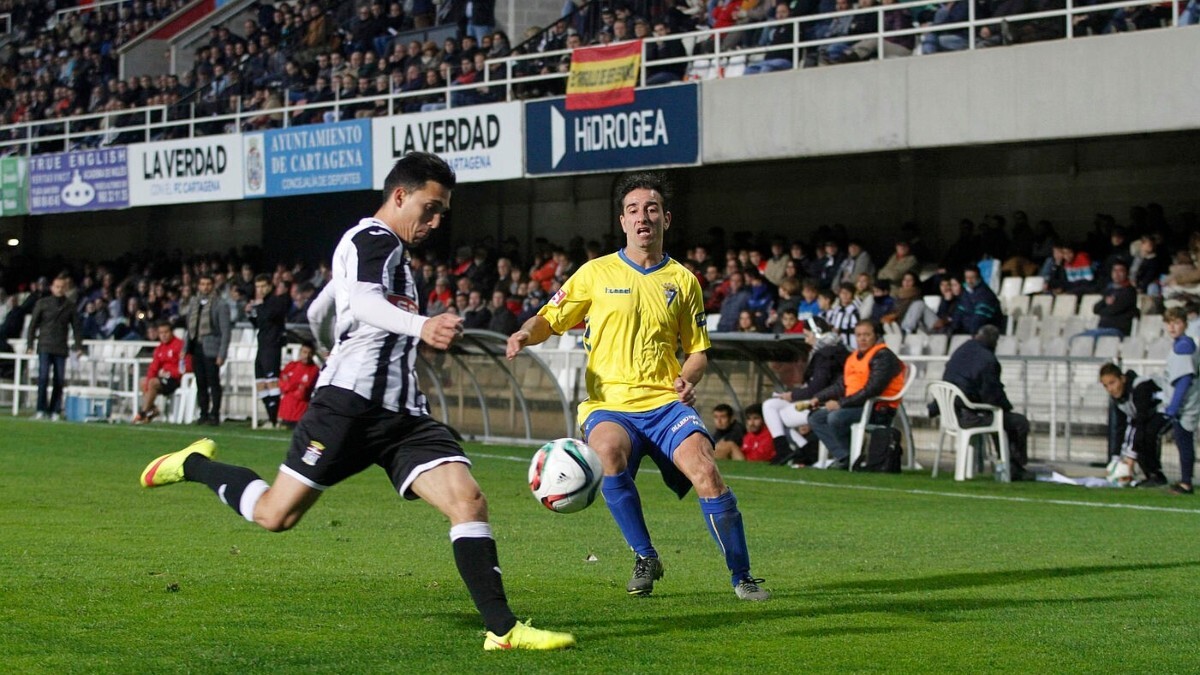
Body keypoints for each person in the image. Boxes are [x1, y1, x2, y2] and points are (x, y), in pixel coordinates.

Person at [139, 153, 575, 651]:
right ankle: (193, 464)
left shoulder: (387, 254)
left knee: (468, 499)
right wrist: (419, 326)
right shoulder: (372, 239)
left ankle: (503, 630)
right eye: (429, 209)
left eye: (441, 214)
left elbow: (323, 306)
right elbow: (364, 301)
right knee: (274, 515)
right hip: (348, 407)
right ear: (399, 196)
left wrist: (333, 343)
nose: (434, 222)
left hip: (403, 413)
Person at [505, 172, 769, 601]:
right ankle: (645, 556)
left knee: (707, 473)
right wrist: (523, 334)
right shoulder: (594, 273)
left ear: (666, 218)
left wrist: (691, 376)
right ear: (622, 222)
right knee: (608, 453)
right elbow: (548, 319)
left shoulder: (683, 281)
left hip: (666, 404)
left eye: (650, 209)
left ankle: (742, 575)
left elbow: (698, 351)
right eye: (632, 210)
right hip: (609, 405)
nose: (642, 216)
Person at [939, 325, 1035, 480]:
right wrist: (1006, 407)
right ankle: (1014, 467)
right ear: (995, 341)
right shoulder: (987, 359)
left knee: (999, 419)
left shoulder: (961, 350)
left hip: (950, 412)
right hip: (970, 416)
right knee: (1017, 422)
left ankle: (1009, 465)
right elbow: (992, 393)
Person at [808, 320, 905, 470]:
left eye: (867, 335)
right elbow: (842, 385)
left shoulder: (883, 356)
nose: (862, 339)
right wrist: (819, 397)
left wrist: (841, 403)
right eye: (859, 335)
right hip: (855, 405)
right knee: (816, 418)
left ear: (876, 336)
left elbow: (872, 389)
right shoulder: (854, 357)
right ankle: (845, 456)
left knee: (835, 417)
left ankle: (853, 457)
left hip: (878, 408)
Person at [761, 318, 849, 466]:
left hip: (822, 401)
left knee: (778, 416)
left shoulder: (826, 354)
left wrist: (792, 395)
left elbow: (817, 387)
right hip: (822, 398)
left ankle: (799, 449)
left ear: (817, 333)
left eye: (807, 335)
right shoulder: (836, 348)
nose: (807, 341)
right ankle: (796, 449)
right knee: (771, 405)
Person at [1099, 363, 1170, 487]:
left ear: (1122, 379)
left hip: (1167, 408)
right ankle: (1151, 476)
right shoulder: (1118, 399)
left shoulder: (1140, 387)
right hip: (1149, 415)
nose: (1110, 389)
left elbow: (1141, 419)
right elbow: (1120, 428)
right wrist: (1115, 458)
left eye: (1112, 383)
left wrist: (1130, 457)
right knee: (1140, 436)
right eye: (1106, 386)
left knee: (1146, 434)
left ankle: (1155, 474)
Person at [27, 274, 83, 420]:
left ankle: (55, 410)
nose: (59, 289)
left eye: (62, 287)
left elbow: (76, 327)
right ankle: (41, 409)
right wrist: (30, 344)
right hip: (44, 345)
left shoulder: (70, 306)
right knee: (43, 378)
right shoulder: (43, 303)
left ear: (66, 288)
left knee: (59, 380)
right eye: (57, 287)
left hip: (60, 346)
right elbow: (33, 325)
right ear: (52, 288)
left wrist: (78, 346)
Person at [184, 273, 231, 425]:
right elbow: (189, 328)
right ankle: (203, 413)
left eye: (208, 284)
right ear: (198, 286)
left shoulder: (220, 304)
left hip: (211, 348)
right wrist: (185, 348)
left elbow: (225, 331)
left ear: (213, 286)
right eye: (202, 284)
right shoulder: (194, 303)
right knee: (200, 382)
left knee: (213, 382)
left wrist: (222, 353)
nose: (205, 287)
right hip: (196, 346)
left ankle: (214, 414)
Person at [1162, 308, 1200, 495]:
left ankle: (1186, 483)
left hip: (1187, 405)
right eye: (1169, 322)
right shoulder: (1182, 344)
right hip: (1187, 403)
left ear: (1185, 324)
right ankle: (1185, 480)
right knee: (1183, 442)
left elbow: (1184, 379)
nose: (1172, 326)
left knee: (1184, 442)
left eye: (1176, 322)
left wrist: (1174, 407)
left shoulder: (1183, 346)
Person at [247, 274, 290, 429]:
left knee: (272, 382)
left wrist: (257, 307)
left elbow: (269, 317)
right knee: (260, 383)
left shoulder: (276, 301)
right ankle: (271, 417)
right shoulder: (263, 303)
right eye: (257, 287)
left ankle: (275, 419)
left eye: (263, 286)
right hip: (262, 345)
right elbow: (260, 323)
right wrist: (250, 313)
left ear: (270, 286)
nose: (260, 290)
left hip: (272, 346)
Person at [133, 320, 192, 424]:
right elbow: (153, 367)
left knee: (153, 382)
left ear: (171, 332)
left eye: (166, 332)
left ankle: (142, 413)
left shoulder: (180, 346)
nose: (163, 335)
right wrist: (149, 380)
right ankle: (153, 410)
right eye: (161, 333)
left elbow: (187, 367)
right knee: (143, 381)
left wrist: (170, 373)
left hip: (176, 380)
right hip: (163, 379)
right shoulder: (160, 348)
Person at [278, 341, 320, 428]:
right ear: (300, 352)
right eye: (304, 352)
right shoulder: (291, 365)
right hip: (285, 412)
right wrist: (294, 386)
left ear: (313, 354)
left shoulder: (314, 370)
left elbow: (302, 393)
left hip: (300, 414)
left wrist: (288, 384)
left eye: (310, 353)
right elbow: (281, 384)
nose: (307, 356)